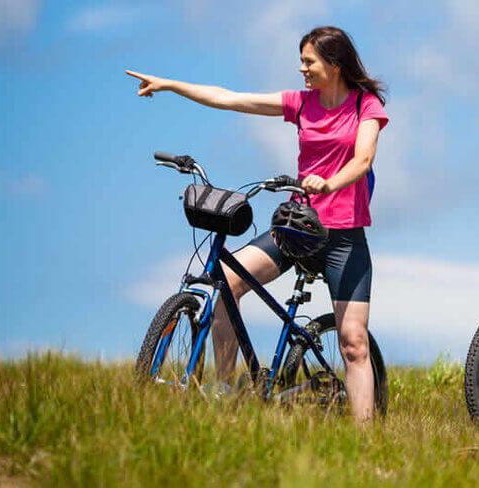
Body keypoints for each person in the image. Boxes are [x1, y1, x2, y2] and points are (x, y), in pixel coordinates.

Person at [127, 26, 388, 422]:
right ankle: (227, 394)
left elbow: (364, 158)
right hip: (296, 227)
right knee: (226, 287)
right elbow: (231, 99)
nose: (301, 69)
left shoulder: (364, 106)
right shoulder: (301, 104)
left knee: (353, 342)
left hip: (345, 235)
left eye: (308, 61)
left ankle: (367, 442)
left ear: (334, 65)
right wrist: (170, 84)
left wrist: (330, 182)